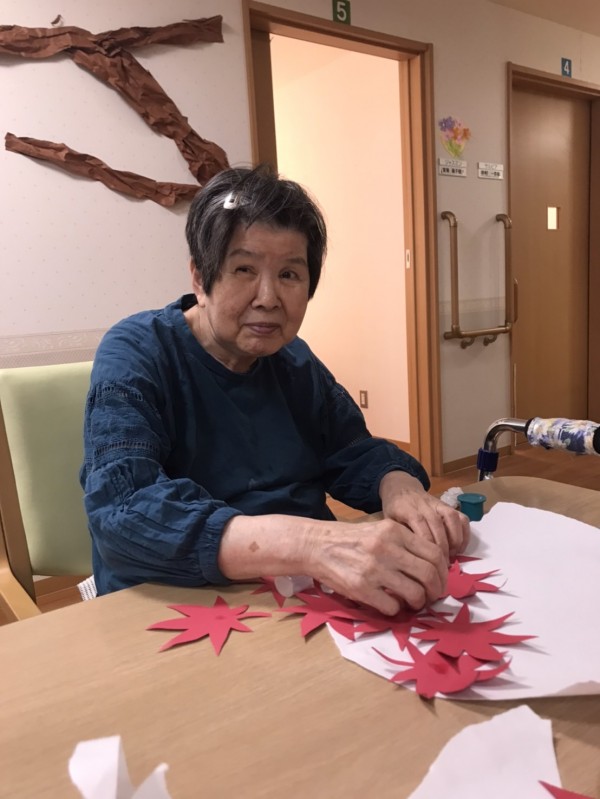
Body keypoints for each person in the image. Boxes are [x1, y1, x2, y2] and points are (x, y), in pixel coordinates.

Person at [81, 165, 469, 615]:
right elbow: (124, 512)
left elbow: (351, 449)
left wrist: (400, 487)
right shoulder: (138, 352)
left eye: (289, 274)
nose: (268, 297)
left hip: (296, 594)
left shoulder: (293, 360)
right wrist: (312, 543)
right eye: (244, 269)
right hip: (178, 603)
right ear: (200, 278)